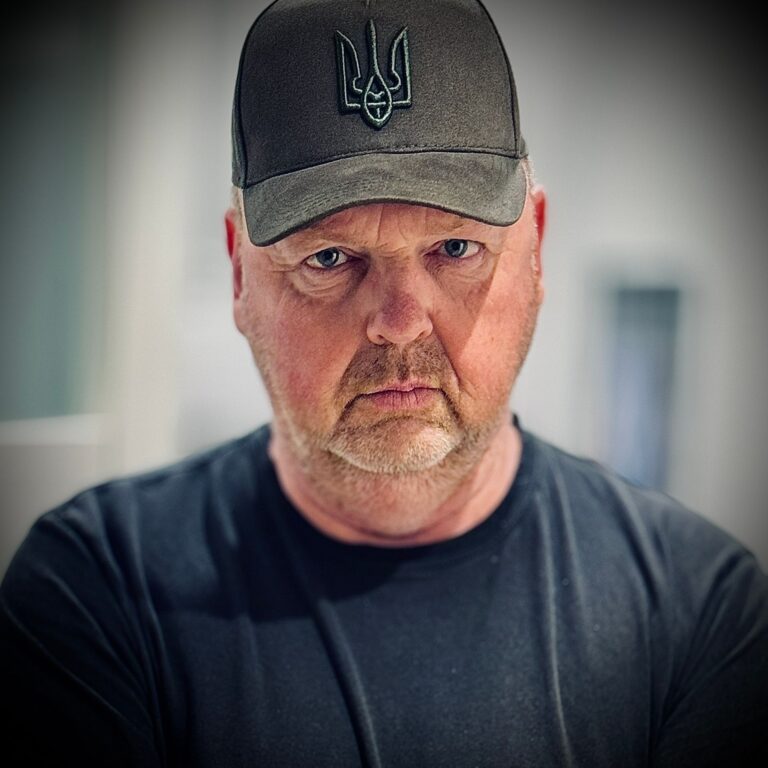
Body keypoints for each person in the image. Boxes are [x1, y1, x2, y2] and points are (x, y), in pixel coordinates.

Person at [1, 0, 766, 765]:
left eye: (455, 248)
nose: (400, 323)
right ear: (238, 273)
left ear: (536, 249)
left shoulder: (696, 610)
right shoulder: (100, 587)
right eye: (329, 259)